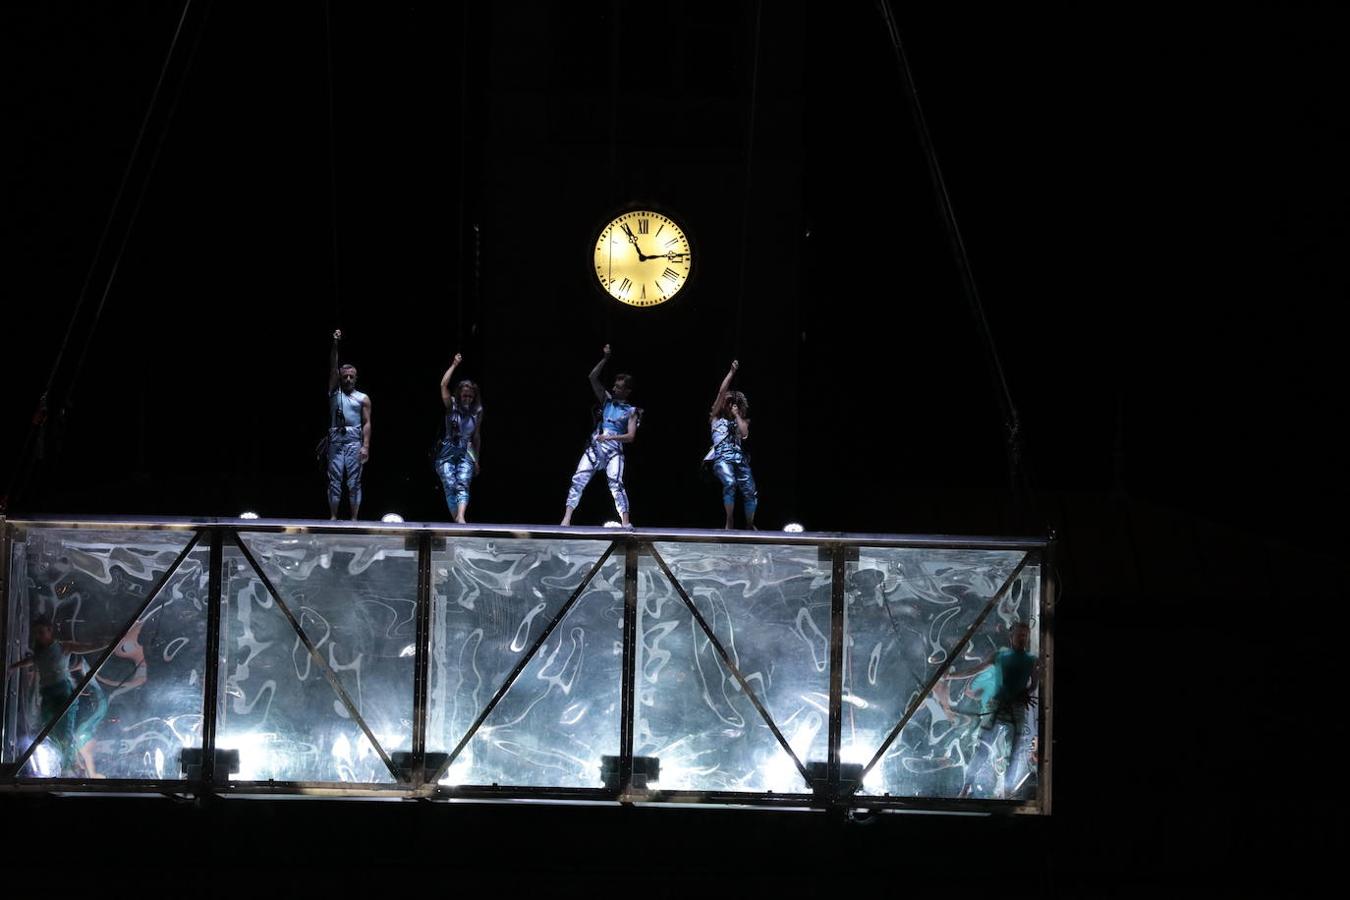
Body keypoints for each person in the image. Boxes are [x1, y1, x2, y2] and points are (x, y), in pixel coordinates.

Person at [7, 615, 108, 776]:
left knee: (66, 733)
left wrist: (106, 643)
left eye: (41, 632)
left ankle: (67, 767)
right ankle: (65, 764)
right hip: (47, 695)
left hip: (63, 694)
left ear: (49, 631)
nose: (38, 636)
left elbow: (87, 646)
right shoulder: (40, 653)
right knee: (50, 731)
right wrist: (13, 666)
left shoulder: (63, 647)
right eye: (36, 634)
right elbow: (31, 661)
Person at [950, 621, 1039, 799]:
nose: (1022, 638)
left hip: (1016, 709)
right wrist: (952, 675)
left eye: (1025, 635)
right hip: (997, 706)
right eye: (1019, 634)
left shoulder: (1031, 660)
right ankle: (966, 787)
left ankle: (1006, 790)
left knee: (1013, 752)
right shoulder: (1000, 655)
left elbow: (1034, 684)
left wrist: (1024, 694)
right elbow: (976, 669)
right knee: (982, 748)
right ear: (1011, 636)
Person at [561, 344, 637, 527]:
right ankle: (566, 518)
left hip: (613, 450)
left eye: (619, 387)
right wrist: (605, 359)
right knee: (579, 478)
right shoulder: (606, 400)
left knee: (616, 484)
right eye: (615, 386)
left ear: (627, 391)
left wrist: (609, 438)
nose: (615, 388)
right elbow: (592, 377)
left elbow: (630, 437)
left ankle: (626, 522)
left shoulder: (631, 411)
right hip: (595, 447)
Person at [705, 360, 758, 529]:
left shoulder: (741, 420)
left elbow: (744, 434)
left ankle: (750, 524)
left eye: (731, 403)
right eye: (726, 403)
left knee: (750, 490)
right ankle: (729, 520)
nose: (728, 404)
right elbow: (721, 392)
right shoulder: (715, 418)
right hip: (721, 457)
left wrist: (737, 416)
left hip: (739, 458)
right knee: (730, 483)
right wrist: (731, 373)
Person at [325, 329, 371, 520]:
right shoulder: (335, 393)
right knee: (334, 481)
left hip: (354, 440)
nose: (348, 379)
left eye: (351, 376)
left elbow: (368, 423)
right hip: (336, 439)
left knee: (354, 482)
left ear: (356, 377)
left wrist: (366, 446)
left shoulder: (363, 398)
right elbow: (333, 367)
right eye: (345, 377)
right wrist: (335, 344)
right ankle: (334, 517)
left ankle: (354, 519)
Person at [436, 352, 483, 523]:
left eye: (470, 396)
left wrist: (476, 459)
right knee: (450, 484)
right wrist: (454, 365)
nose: (467, 399)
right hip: (448, 448)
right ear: (460, 394)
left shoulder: (477, 411)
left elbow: (476, 436)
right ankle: (456, 519)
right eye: (465, 395)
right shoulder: (452, 405)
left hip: (466, 449)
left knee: (463, 482)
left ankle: (461, 517)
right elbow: (443, 384)